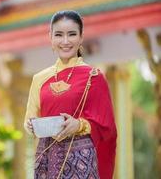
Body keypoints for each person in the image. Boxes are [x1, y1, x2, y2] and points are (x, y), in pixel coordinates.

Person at [24, 10, 117, 179]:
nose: (65, 41)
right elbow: (29, 120)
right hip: (46, 158)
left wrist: (80, 125)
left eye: (72, 34)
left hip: (80, 159)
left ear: (81, 37)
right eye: (59, 35)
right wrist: (30, 126)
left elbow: (107, 126)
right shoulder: (39, 79)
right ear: (51, 38)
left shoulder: (94, 76)